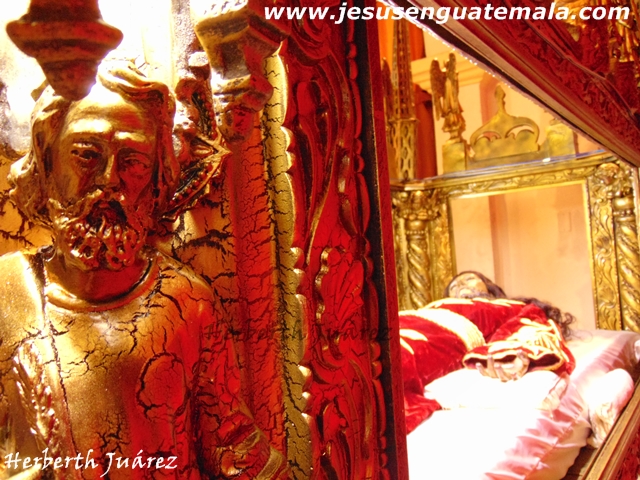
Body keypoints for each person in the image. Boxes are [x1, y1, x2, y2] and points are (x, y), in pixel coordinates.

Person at [0, 61, 287, 479]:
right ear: (46, 161)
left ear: (156, 177)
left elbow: (232, 446)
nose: (109, 181)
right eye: (86, 154)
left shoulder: (185, 303)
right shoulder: (8, 291)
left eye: (132, 161)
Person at [400, 271, 575, 433]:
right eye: (453, 286)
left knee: (398, 361)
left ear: (489, 287)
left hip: (441, 336)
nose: (461, 285)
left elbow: (530, 329)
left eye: (470, 279)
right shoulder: (434, 306)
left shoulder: (509, 307)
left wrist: (510, 355)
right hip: (404, 321)